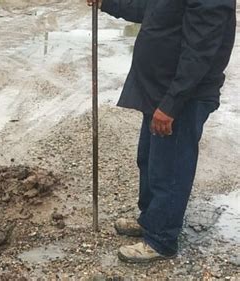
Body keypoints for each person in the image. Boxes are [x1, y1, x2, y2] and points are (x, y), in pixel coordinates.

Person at [87, 0, 236, 262]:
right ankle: (151, 220)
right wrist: (108, 3)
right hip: (160, 86)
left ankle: (161, 238)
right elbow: (151, 9)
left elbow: (201, 50)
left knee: (171, 167)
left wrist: (171, 105)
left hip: (182, 96)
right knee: (151, 160)